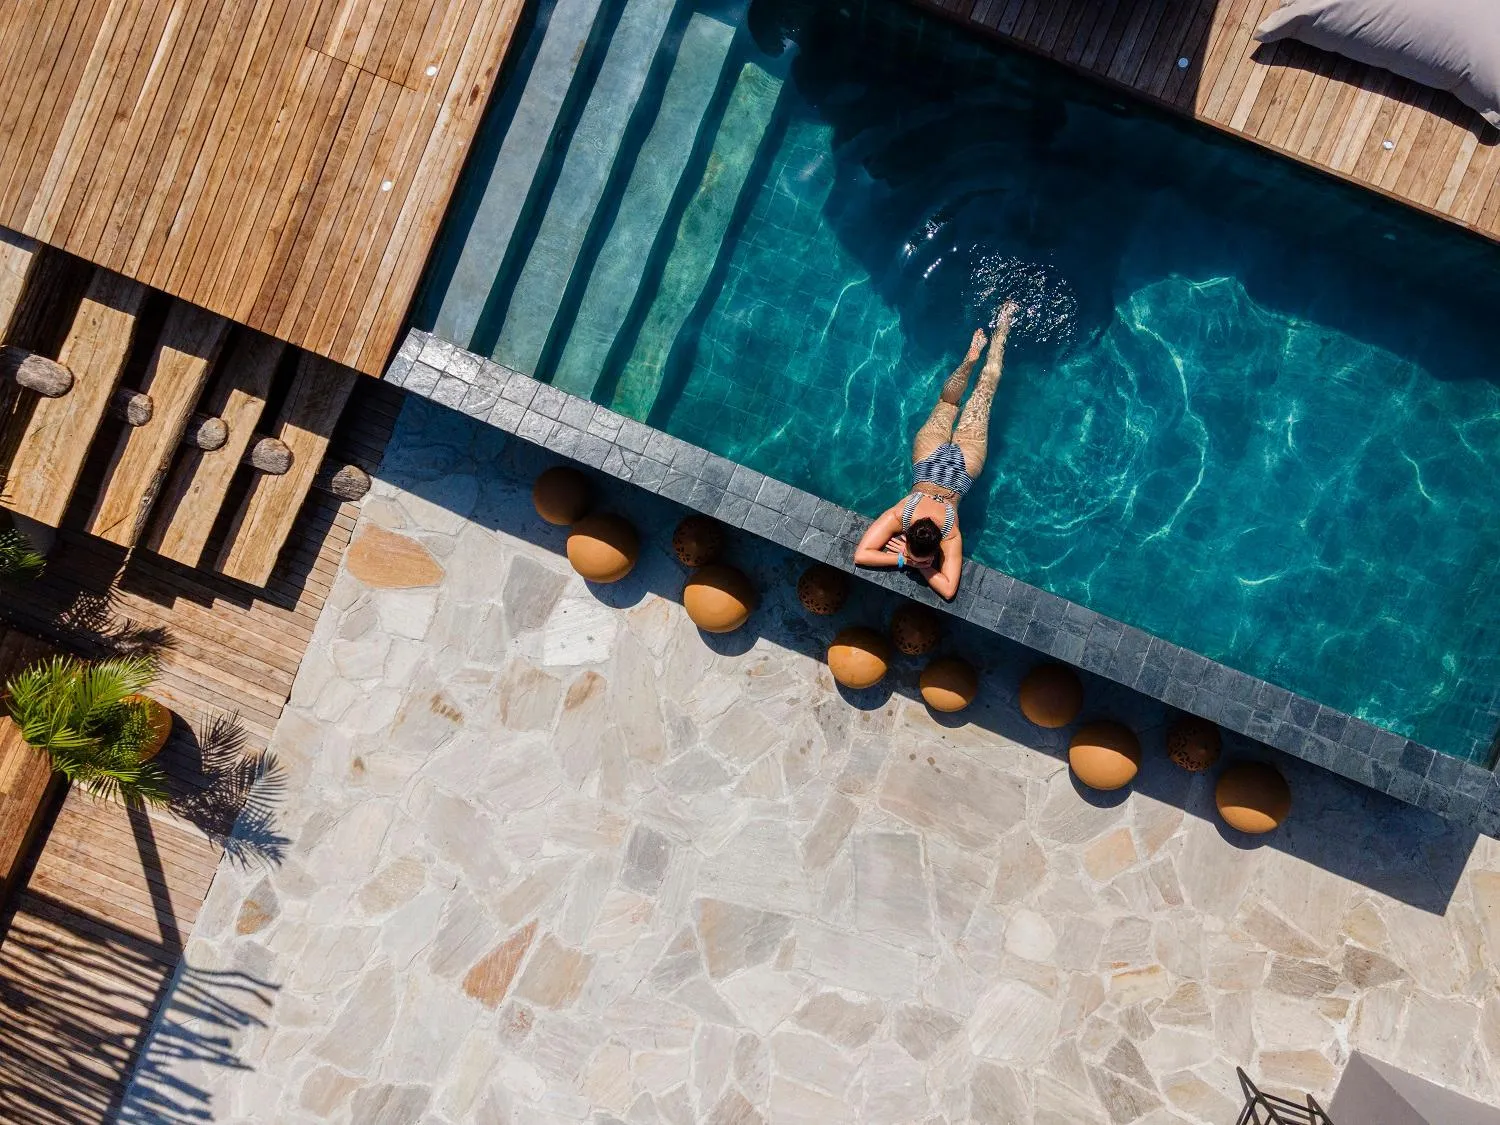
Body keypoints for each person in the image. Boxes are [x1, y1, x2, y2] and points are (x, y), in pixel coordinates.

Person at [854, 301, 1019, 600]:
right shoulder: (900, 515)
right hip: (929, 458)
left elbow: (947, 589)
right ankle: (970, 358)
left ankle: (1003, 328)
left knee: (984, 394)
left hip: (963, 469)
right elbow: (862, 553)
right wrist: (909, 557)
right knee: (949, 403)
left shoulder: (951, 534)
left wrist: (913, 563)